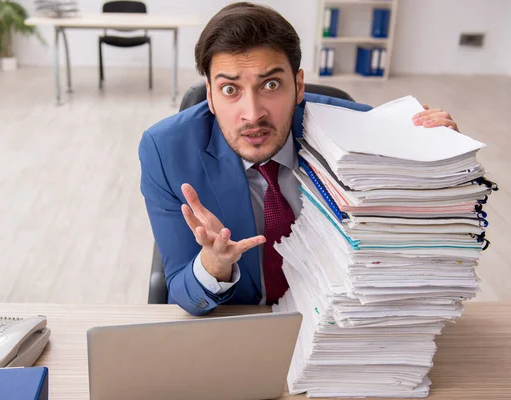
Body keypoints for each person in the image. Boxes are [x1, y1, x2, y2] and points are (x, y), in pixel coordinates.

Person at [138, 2, 460, 316]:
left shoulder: (358, 132)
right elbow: (180, 290)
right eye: (230, 90)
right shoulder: (165, 150)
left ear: (299, 85)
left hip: (344, 322)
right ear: (209, 94)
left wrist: (438, 157)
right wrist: (215, 263)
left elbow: (426, 235)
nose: (253, 114)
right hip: (239, 324)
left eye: (271, 84)